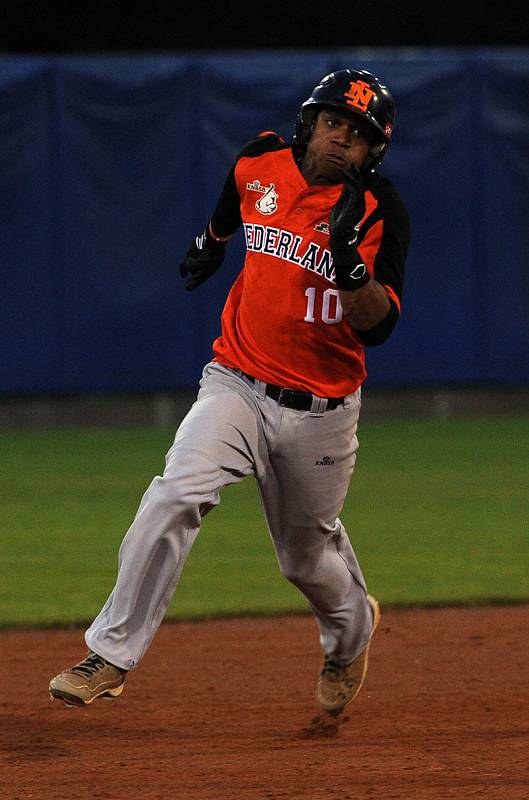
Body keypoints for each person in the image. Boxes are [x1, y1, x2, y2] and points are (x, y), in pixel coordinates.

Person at [49, 68, 411, 716]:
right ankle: (108, 655)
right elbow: (231, 200)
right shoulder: (262, 160)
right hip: (236, 380)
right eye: (331, 122)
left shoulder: (381, 212)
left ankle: (349, 636)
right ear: (309, 123)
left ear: (371, 153)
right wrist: (210, 242)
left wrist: (348, 257)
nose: (338, 140)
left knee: (305, 559)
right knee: (176, 492)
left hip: (321, 410)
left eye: (355, 135)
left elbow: (378, 326)